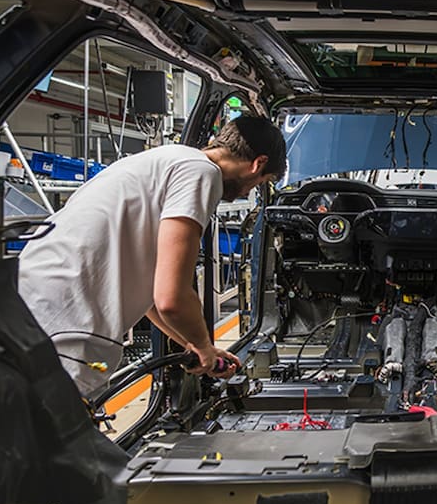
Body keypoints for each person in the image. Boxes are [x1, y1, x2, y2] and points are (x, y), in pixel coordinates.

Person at [18, 116, 287, 395]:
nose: (249, 190)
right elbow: (172, 297)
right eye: (260, 182)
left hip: (35, 309)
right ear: (258, 164)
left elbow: (154, 295)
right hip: (64, 326)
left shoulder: (167, 160)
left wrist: (196, 346)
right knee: (54, 430)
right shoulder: (202, 173)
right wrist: (203, 345)